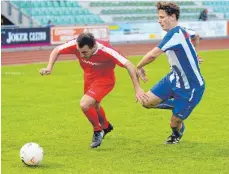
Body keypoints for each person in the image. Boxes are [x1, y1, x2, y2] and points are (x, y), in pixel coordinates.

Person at [39, 33, 147, 148]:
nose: (81, 55)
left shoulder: (106, 50)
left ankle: (97, 130)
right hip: (89, 77)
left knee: (85, 104)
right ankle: (106, 126)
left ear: (94, 46)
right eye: (79, 51)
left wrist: (137, 88)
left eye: (84, 52)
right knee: (94, 106)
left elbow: (129, 65)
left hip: (105, 79)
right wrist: (49, 67)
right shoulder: (76, 44)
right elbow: (56, 50)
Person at [136, 2, 205, 144]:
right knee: (146, 102)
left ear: (172, 16)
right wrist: (194, 54)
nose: (159, 20)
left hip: (191, 87)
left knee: (174, 122)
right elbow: (196, 36)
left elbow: (153, 55)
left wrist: (139, 66)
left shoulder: (174, 34)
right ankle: (177, 105)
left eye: (162, 17)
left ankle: (176, 135)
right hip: (174, 79)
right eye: (158, 17)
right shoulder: (181, 31)